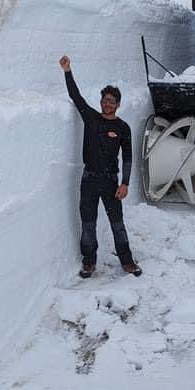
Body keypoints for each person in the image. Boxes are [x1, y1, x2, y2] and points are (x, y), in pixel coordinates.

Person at [59, 55, 142, 278]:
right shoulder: (91, 118)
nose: (108, 103)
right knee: (88, 223)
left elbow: (128, 157)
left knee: (117, 224)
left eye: (112, 101)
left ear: (118, 104)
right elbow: (75, 96)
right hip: (89, 180)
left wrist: (124, 184)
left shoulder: (123, 128)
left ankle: (127, 261)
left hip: (110, 182)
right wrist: (68, 71)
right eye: (105, 100)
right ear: (101, 102)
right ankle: (89, 261)